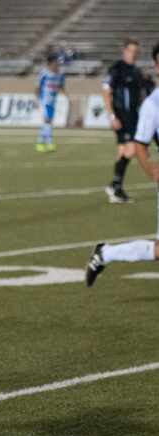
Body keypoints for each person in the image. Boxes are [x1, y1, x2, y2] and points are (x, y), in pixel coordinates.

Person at [86, 43, 159, 285]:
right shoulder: (153, 105)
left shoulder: (138, 77)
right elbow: (140, 145)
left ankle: (105, 253)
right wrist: (151, 171)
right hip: (125, 120)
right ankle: (106, 253)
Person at [102, 39, 148, 203]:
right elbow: (106, 91)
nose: (134, 54)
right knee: (134, 148)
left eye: (136, 51)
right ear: (124, 51)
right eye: (131, 50)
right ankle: (115, 186)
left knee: (123, 151)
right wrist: (111, 116)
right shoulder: (117, 69)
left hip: (133, 116)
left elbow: (141, 94)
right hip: (122, 116)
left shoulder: (136, 71)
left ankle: (116, 188)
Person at [36, 53, 65, 153]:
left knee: (47, 123)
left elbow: (61, 86)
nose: (57, 64)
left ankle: (40, 143)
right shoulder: (44, 73)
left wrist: (67, 96)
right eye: (56, 62)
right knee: (47, 121)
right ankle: (50, 143)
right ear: (50, 63)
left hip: (53, 101)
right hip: (44, 101)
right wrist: (37, 99)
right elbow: (37, 87)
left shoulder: (60, 74)